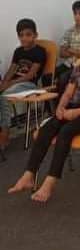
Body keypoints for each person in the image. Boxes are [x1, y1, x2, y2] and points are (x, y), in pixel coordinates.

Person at [8, 27, 80, 203]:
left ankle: (50, 182)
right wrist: (61, 107)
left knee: (65, 132)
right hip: (71, 108)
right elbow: (68, 92)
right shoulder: (79, 68)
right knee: (46, 129)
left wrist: (76, 112)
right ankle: (29, 174)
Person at [0, 19, 47, 151]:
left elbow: (30, 75)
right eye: (21, 35)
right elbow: (11, 70)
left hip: (29, 85)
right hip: (14, 84)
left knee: (3, 97)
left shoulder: (40, 51)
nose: (24, 38)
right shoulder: (18, 51)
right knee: (1, 93)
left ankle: (5, 134)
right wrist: (4, 82)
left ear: (35, 35)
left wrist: (9, 84)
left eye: (28, 34)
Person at [56, 1, 80, 94]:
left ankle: (61, 102)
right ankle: (50, 103)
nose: (77, 16)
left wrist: (70, 49)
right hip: (68, 63)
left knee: (63, 78)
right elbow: (61, 53)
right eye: (75, 14)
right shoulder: (69, 31)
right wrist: (77, 52)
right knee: (48, 76)